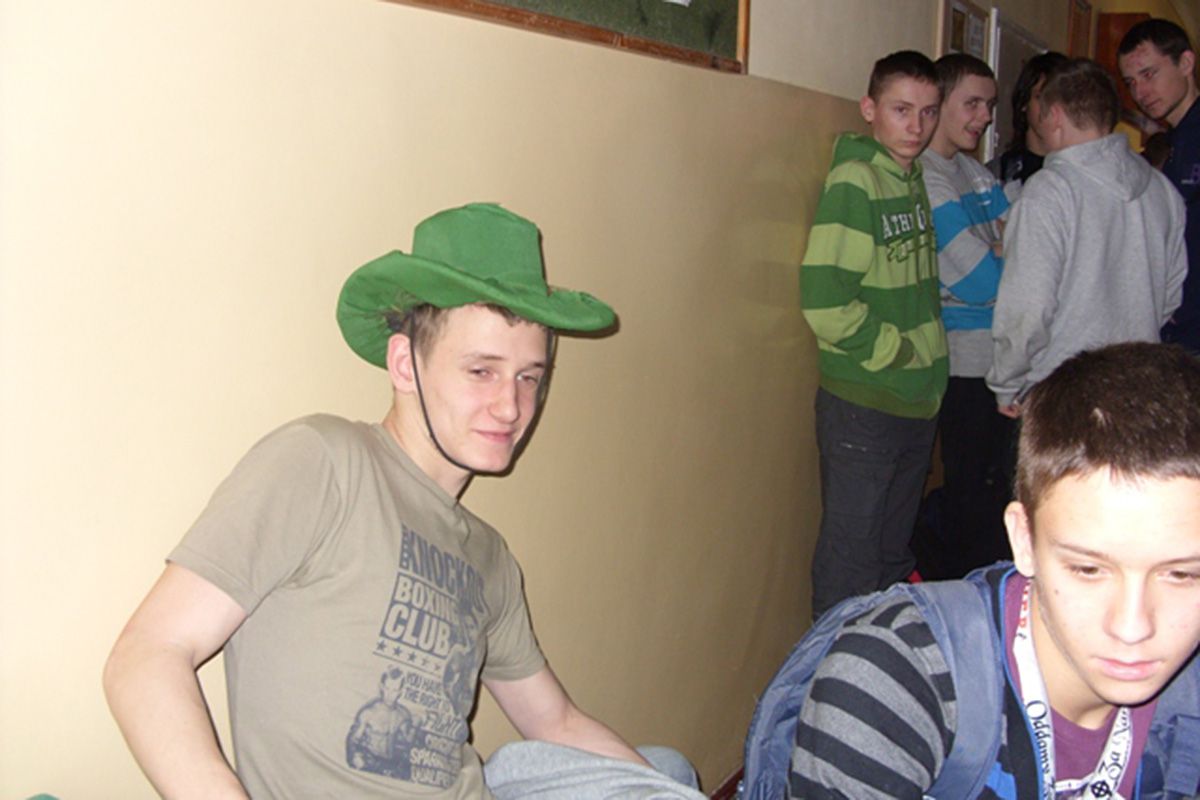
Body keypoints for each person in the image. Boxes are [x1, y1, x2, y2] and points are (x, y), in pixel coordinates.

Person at [103, 203, 704, 799]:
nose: (511, 407)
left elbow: (556, 722)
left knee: (667, 770)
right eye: (481, 371)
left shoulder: (490, 556)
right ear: (404, 365)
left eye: (529, 377)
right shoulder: (323, 462)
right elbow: (149, 653)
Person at [790, 341, 1200, 798]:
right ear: (1023, 539)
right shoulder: (894, 681)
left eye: (1182, 575)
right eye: (1088, 569)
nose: (1132, 627)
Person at [799, 50, 947, 618]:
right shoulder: (855, 182)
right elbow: (825, 301)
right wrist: (898, 351)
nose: (916, 127)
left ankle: (883, 660)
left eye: (928, 112)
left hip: (914, 399)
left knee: (889, 556)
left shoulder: (911, 178)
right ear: (869, 109)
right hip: (865, 401)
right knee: (850, 565)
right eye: (901, 110)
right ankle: (833, 666)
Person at [987, 58, 1186, 418]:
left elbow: (1028, 306)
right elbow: (1170, 293)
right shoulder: (1162, 189)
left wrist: (1006, 382)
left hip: (1063, 389)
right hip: (1140, 384)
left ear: (1055, 115)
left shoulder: (1048, 191)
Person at [918, 53, 1014, 577]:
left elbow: (1031, 256)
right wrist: (1001, 250)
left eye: (990, 105)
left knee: (1001, 497)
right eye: (972, 103)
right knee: (972, 502)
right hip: (964, 368)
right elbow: (983, 282)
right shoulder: (928, 177)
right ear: (940, 101)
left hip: (1002, 362)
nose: (985, 117)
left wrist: (997, 251)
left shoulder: (974, 173)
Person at [1119, 19, 1200, 353]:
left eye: (1149, 74)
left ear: (1186, 63)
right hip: (1175, 330)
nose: (1140, 92)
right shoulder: (1170, 144)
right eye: (1131, 82)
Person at [994, 51, 1070, 190]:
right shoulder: (997, 174)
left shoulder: (1082, 173)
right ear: (1024, 102)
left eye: (1061, 99)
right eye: (1042, 97)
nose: (1052, 108)